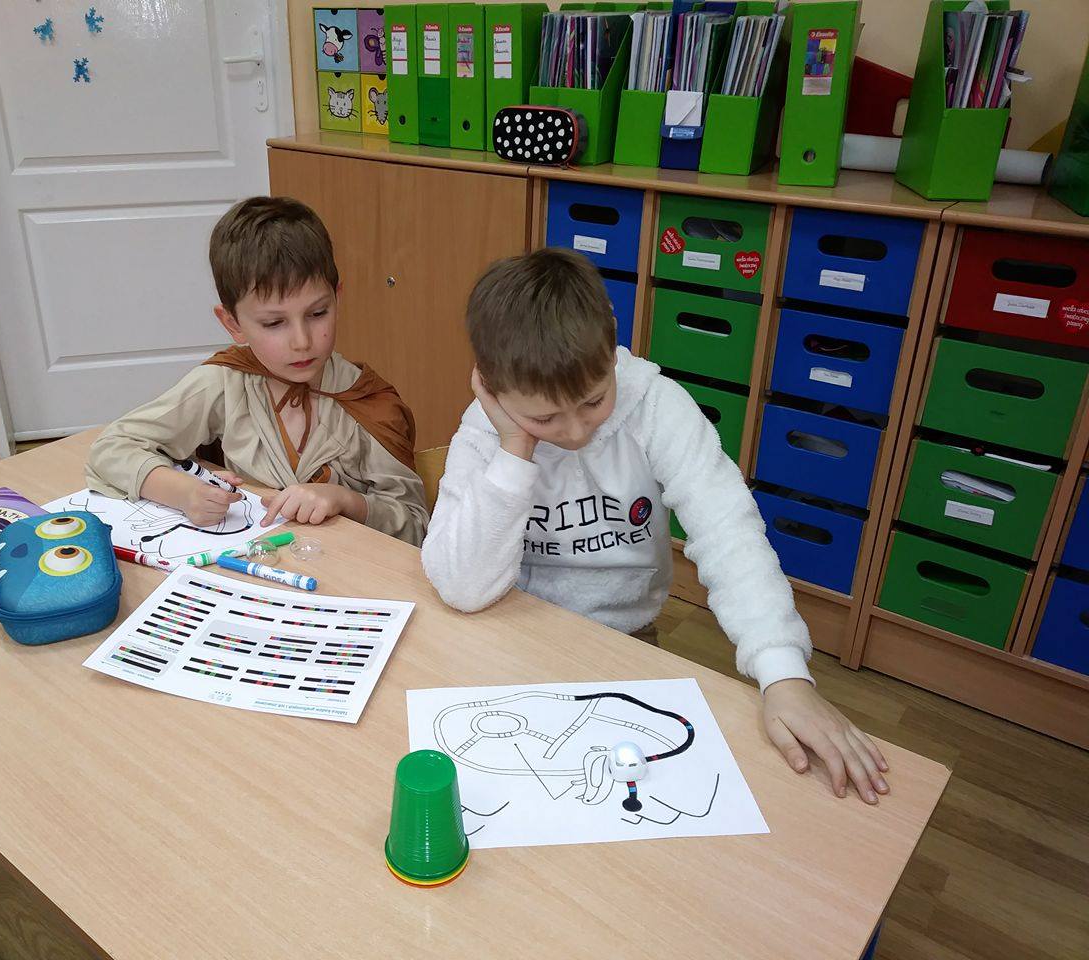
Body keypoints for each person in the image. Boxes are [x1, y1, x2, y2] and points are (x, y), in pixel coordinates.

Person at [422, 248, 890, 803]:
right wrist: (514, 449)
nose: (575, 432)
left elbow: (727, 530)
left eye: (594, 401)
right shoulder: (486, 434)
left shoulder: (657, 408)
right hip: (517, 635)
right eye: (544, 417)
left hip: (629, 639)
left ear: (611, 345)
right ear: (491, 388)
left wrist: (782, 671)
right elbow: (463, 589)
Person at [87, 196, 428, 545]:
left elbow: (417, 528)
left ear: (337, 298)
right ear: (232, 323)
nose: (302, 341)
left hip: (353, 570)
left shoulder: (368, 403)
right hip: (250, 565)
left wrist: (346, 501)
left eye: (317, 313)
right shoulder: (225, 382)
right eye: (274, 323)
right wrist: (184, 491)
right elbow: (112, 448)